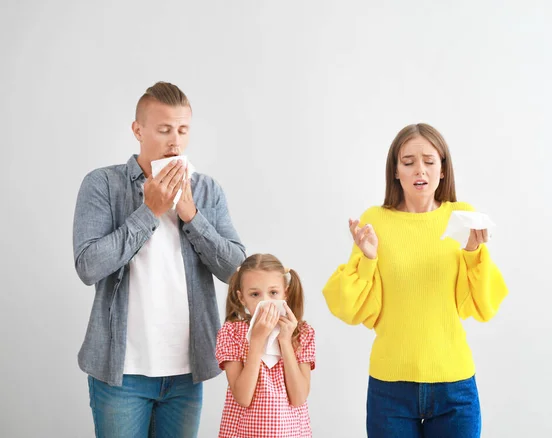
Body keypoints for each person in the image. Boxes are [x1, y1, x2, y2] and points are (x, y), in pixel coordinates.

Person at [73, 81, 246, 437]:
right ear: (138, 130)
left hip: (185, 372)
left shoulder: (207, 190)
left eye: (183, 130)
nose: (175, 142)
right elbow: (88, 266)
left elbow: (237, 271)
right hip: (121, 373)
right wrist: (148, 213)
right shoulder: (102, 185)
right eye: (164, 129)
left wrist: (192, 216)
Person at [323, 123, 508, 437]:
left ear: (443, 169)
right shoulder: (375, 220)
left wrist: (474, 250)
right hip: (390, 389)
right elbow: (349, 308)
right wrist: (368, 259)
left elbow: (483, 304)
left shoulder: (463, 217)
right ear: (395, 171)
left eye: (429, 161)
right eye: (408, 162)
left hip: (454, 385)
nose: (419, 170)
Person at [216, 254, 316, 438]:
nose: (265, 302)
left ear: (285, 292)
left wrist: (285, 342)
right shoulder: (231, 333)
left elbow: (299, 397)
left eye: (273, 293)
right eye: (255, 294)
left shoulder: (302, 333)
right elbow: (243, 398)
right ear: (242, 297)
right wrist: (256, 341)